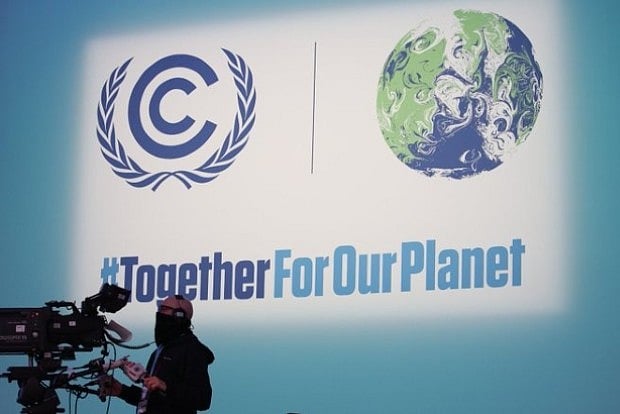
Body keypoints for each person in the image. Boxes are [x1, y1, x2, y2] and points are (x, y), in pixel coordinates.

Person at [101, 295, 215, 413]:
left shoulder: (193, 350)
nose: (159, 314)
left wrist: (165, 386)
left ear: (179, 315)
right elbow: (155, 400)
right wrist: (121, 391)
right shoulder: (160, 351)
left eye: (164, 309)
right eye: (159, 309)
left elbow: (203, 399)